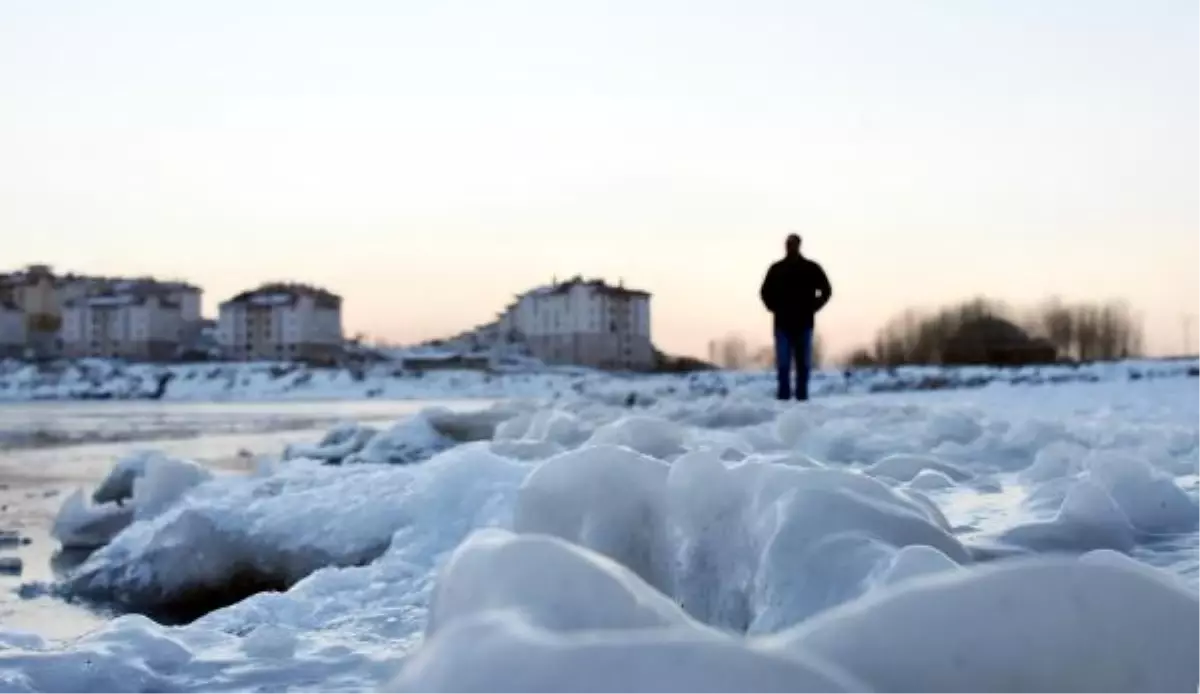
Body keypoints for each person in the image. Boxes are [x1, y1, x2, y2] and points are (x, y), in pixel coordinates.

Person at [759, 233, 832, 401]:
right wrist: (775, 308)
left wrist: (814, 307)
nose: (790, 247)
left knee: (802, 366)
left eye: (793, 244)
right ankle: (783, 398)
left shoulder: (810, 268)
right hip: (782, 324)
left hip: (804, 323)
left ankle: (802, 398)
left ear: (799, 246)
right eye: (788, 244)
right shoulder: (777, 269)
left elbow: (826, 290)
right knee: (783, 365)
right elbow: (764, 292)